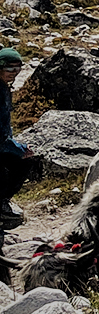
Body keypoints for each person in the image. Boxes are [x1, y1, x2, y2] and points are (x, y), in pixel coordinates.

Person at [1, 48, 38, 223]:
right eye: (9, 69)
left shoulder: (4, 88)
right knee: (20, 162)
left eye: (18, 69)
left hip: (4, 142)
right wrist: (18, 148)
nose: (14, 73)